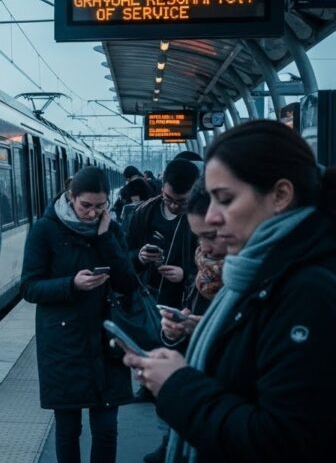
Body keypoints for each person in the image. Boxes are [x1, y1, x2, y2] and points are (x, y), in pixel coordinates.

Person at [121, 120, 336, 462]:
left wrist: (177, 384)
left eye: (226, 199)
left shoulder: (309, 291)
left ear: (280, 195)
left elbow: (282, 440)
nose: (214, 218)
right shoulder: (262, 273)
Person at [21, 167, 137, 463]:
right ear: (71, 196)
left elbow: (128, 282)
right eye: (86, 205)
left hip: (106, 339)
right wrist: (71, 284)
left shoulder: (110, 229)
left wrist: (105, 239)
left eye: (101, 206)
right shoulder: (45, 230)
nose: (92, 213)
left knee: (106, 428)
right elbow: (30, 287)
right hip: (64, 342)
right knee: (68, 428)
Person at [142, 178, 226, 463]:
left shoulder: (256, 279)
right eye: (199, 237)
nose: (204, 248)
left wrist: (179, 387)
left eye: (211, 236)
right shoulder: (215, 268)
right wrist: (191, 322)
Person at [126, 159, 200, 308]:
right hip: (147, 300)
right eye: (168, 198)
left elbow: (215, 267)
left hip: (186, 304)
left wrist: (185, 276)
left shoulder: (203, 218)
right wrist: (139, 258)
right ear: (162, 189)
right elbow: (124, 255)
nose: (173, 205)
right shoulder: (144, 212)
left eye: (182, 202)